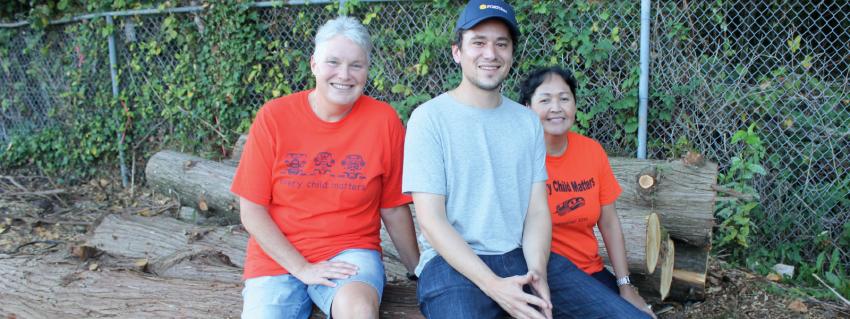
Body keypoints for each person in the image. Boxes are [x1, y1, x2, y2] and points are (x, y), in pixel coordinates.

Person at [403, 1, 650, 318]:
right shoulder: (429, 119)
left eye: (501, 44)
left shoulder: (526, 121)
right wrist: (495, 286)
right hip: (452, 264)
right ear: (457, 52)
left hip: (521, 257)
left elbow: (536, 211)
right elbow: (432, 220)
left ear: (510, 54)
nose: (490, 54)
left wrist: (538, 274)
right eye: (478, 42)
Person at [231, 16, 420, 319]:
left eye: (356, 65)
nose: (344, 75)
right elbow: (251, 209)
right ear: (314, 64)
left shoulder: (383, 121)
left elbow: (393, 208)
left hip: (350, 251)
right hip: (277, 256)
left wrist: (417, 271)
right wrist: (302, 268)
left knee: (358, 311)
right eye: (333, 62)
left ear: (367, 70)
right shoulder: (274, 117)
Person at [519, 66, 657, 318]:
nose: (556, 108)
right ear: (527, 108)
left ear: (574, 104)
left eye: (564, 98)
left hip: (590, 271)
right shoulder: (519, 157)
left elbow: (610, 222)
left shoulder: (591, 151)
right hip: (545, 277)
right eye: (545, 100)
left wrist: (625, 285)